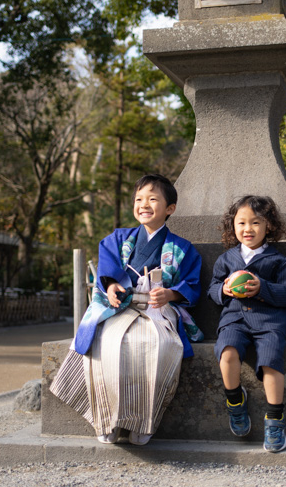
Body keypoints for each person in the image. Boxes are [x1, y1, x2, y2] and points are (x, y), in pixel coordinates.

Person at [49, 173, 202, 446]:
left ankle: (144, 423)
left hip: (157, 310)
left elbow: (191, 283)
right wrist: (110, 288)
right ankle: (105, 419)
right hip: (118, 307)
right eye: (139, 199)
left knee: (160, 347)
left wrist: (169, 293)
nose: (144, 204)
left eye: (153, 199)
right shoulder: (118, 238)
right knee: (104, 343)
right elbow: (106, 274)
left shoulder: (182, 248)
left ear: (170, 209)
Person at [208, 195, 286, 453]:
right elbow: (213, 288)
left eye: (255, 223)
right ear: (233, 226)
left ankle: (275, 419)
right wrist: (224, 290)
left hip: (268, 322)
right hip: (234, 320)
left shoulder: (277, 261)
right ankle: (235, 401)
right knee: (226, 353)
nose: (248, 229)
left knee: (270, 361)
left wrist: (263, 288)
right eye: (241, 223)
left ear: (268, 226)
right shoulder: (226, 259)